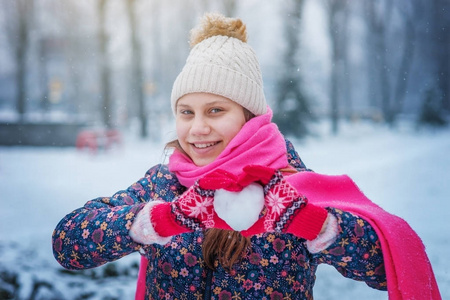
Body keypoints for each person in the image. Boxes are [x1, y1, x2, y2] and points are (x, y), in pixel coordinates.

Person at [52, 13, 441, 300]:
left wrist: (317, 225)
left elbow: (388, 268)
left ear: (250, 116)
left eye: (216, 111)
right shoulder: (163, 183)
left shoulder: (291, 186)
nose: (197, 128)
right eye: (186, 112)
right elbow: (68, 243)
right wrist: (158, 220)